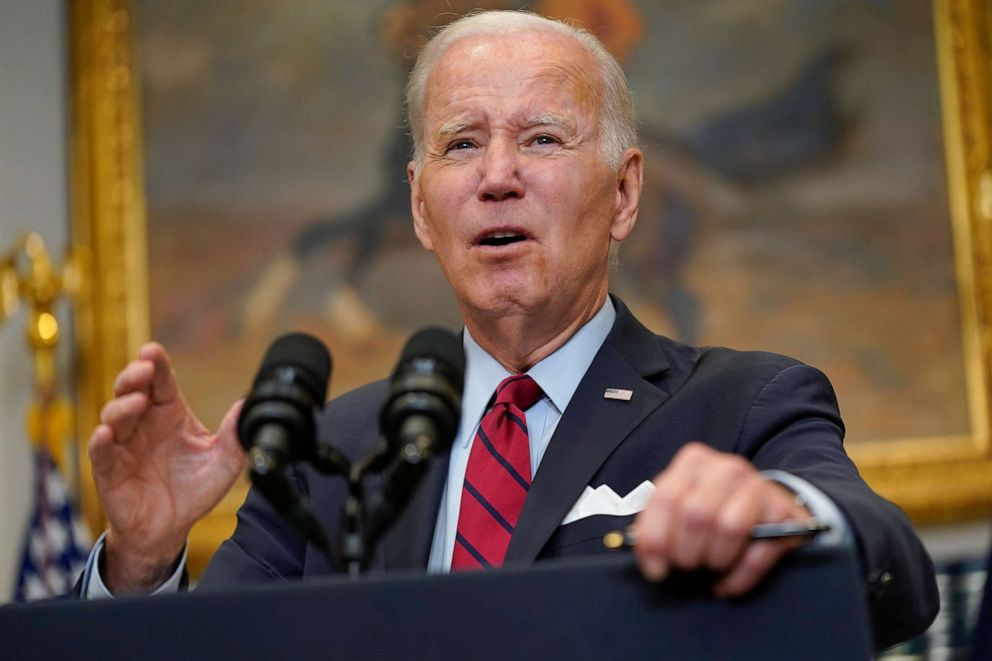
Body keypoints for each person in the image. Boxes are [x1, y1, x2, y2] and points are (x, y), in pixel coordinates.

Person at [79, 10, 938, 650]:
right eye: (460, 145)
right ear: (419, 206)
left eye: (541, 138)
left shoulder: (745, 403)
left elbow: (896, 580)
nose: (496, 177)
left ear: (625, 193)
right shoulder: (328, 448)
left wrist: (784, 511)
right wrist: (143, 565)